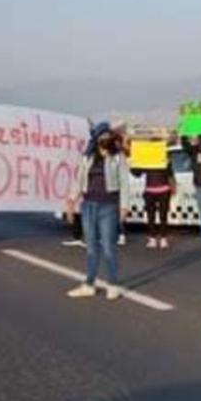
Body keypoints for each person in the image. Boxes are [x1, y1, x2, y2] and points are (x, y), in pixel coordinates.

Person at [66, 123, 131, 300]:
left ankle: (113, 284)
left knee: (109, 248)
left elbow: (124, 183)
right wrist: (71, 201)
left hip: (108, 206)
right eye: (102, 137)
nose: (105, 140)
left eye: (107, 136)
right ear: (96, 139)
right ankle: (89, 284)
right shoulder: (87, 158)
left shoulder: (118, 157)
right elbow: (79, 180)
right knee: (91, 248)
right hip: (88, 206)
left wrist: (124, 206)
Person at [132, 152, 175, 250]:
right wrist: (135, 162)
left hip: (164, 189)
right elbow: (137, 173)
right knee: (151, 216)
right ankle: (152, 238)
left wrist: (172, 184)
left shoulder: (164, 158)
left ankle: (163, 238)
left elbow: (170, 173)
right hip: (150, 190)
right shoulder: (147, 159)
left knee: (163, 215)